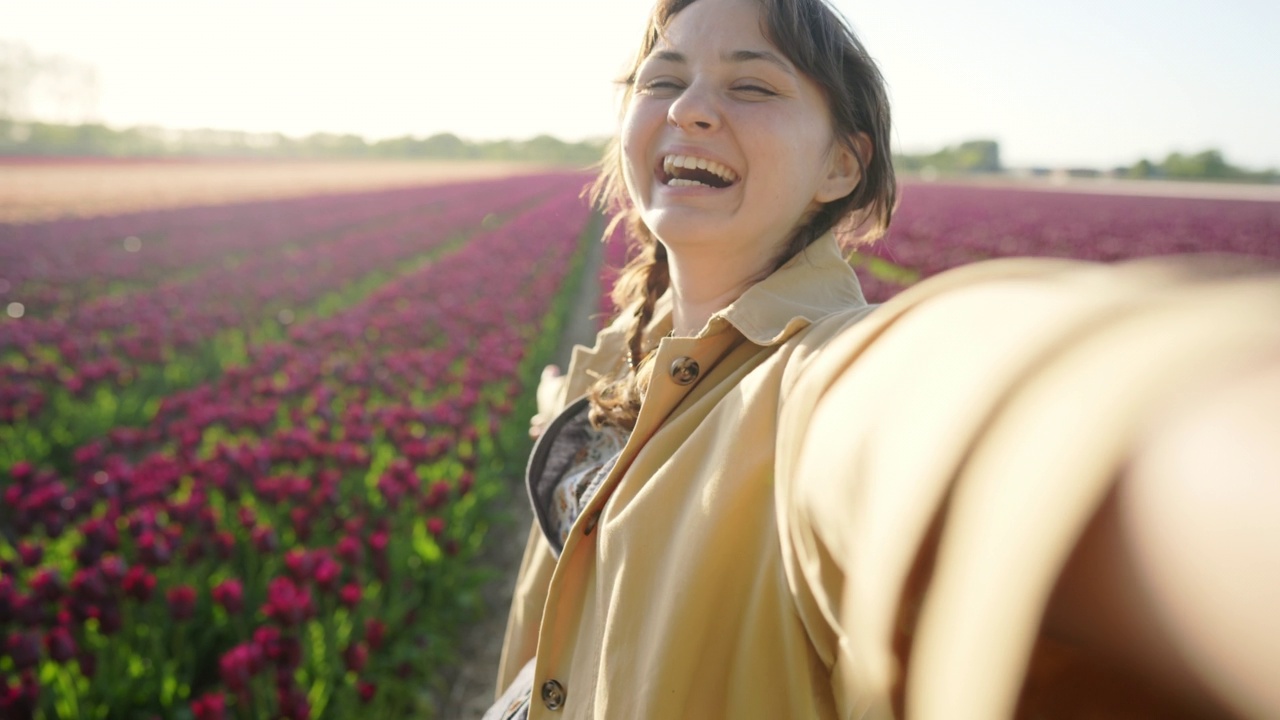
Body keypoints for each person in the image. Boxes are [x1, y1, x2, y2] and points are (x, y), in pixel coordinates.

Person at [486, 0, 1280, 717]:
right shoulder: (635, 349)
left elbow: (940, 408)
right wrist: (565, 412)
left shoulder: (816, 390)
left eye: (752, 88)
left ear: (843, 165)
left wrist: (1176, 439)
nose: (690, 109)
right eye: (663, 81)